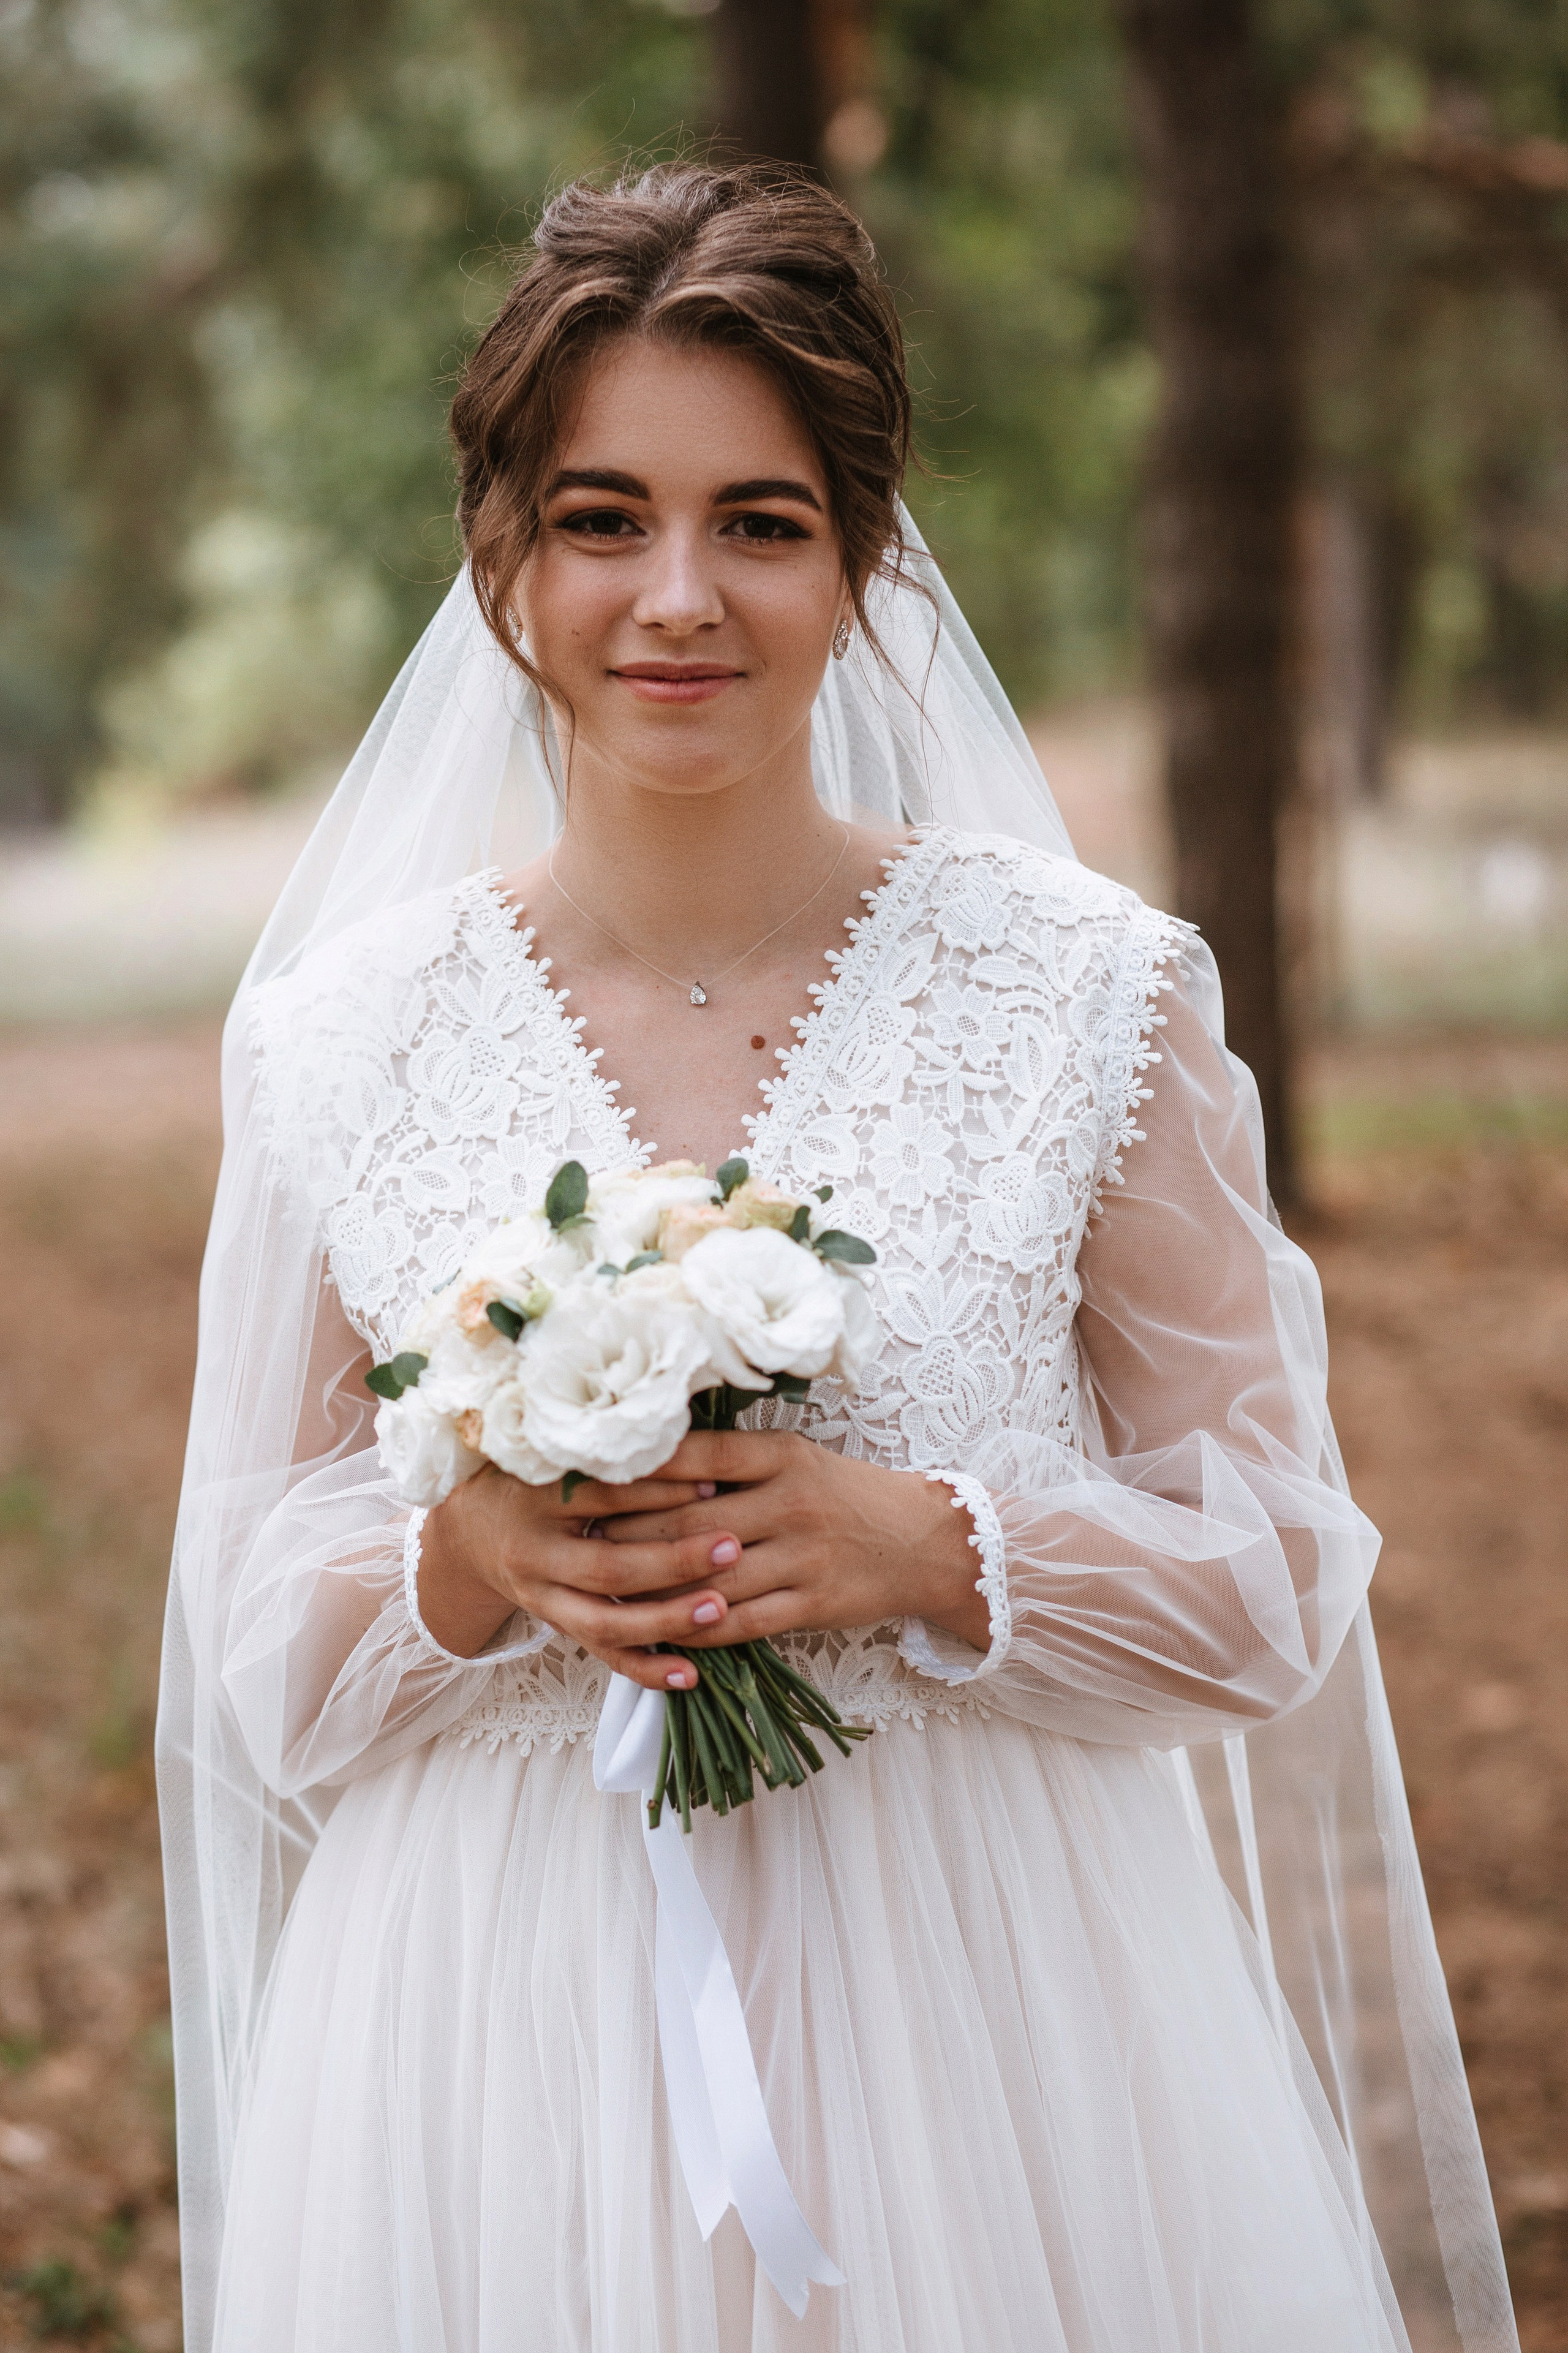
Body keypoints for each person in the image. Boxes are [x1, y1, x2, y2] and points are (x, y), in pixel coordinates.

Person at [157, 162, 1517, 2353]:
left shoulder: (1088, 999)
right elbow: (256, 1641)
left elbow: (1274, 1566)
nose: (674, 596)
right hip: (504, 2028)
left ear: (865, 558)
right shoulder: (346, 1038)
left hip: (994, 2015)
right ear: (501, 555)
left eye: (759, 523)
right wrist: (476, 1556)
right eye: (601, 518)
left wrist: (928, 1546)